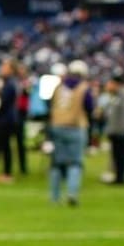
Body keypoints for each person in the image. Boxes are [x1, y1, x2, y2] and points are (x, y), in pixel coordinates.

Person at [47, 59, 93, 205]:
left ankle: (54, 197)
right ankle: (72, 193)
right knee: (75, 163)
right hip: (76, 127)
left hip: (57, 125)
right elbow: (89, 107)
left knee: (56, 163)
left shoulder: (58, 86)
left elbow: (49, 104)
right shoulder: (84, 88)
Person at [99, 73, 124, 185]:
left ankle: (121, 178)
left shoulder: (123, 96)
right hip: (116, 130)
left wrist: (120, 130)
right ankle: (118, 176)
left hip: (120, 131)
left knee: (120, 156)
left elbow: (122, 116)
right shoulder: (117, 96)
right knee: (116, 155)